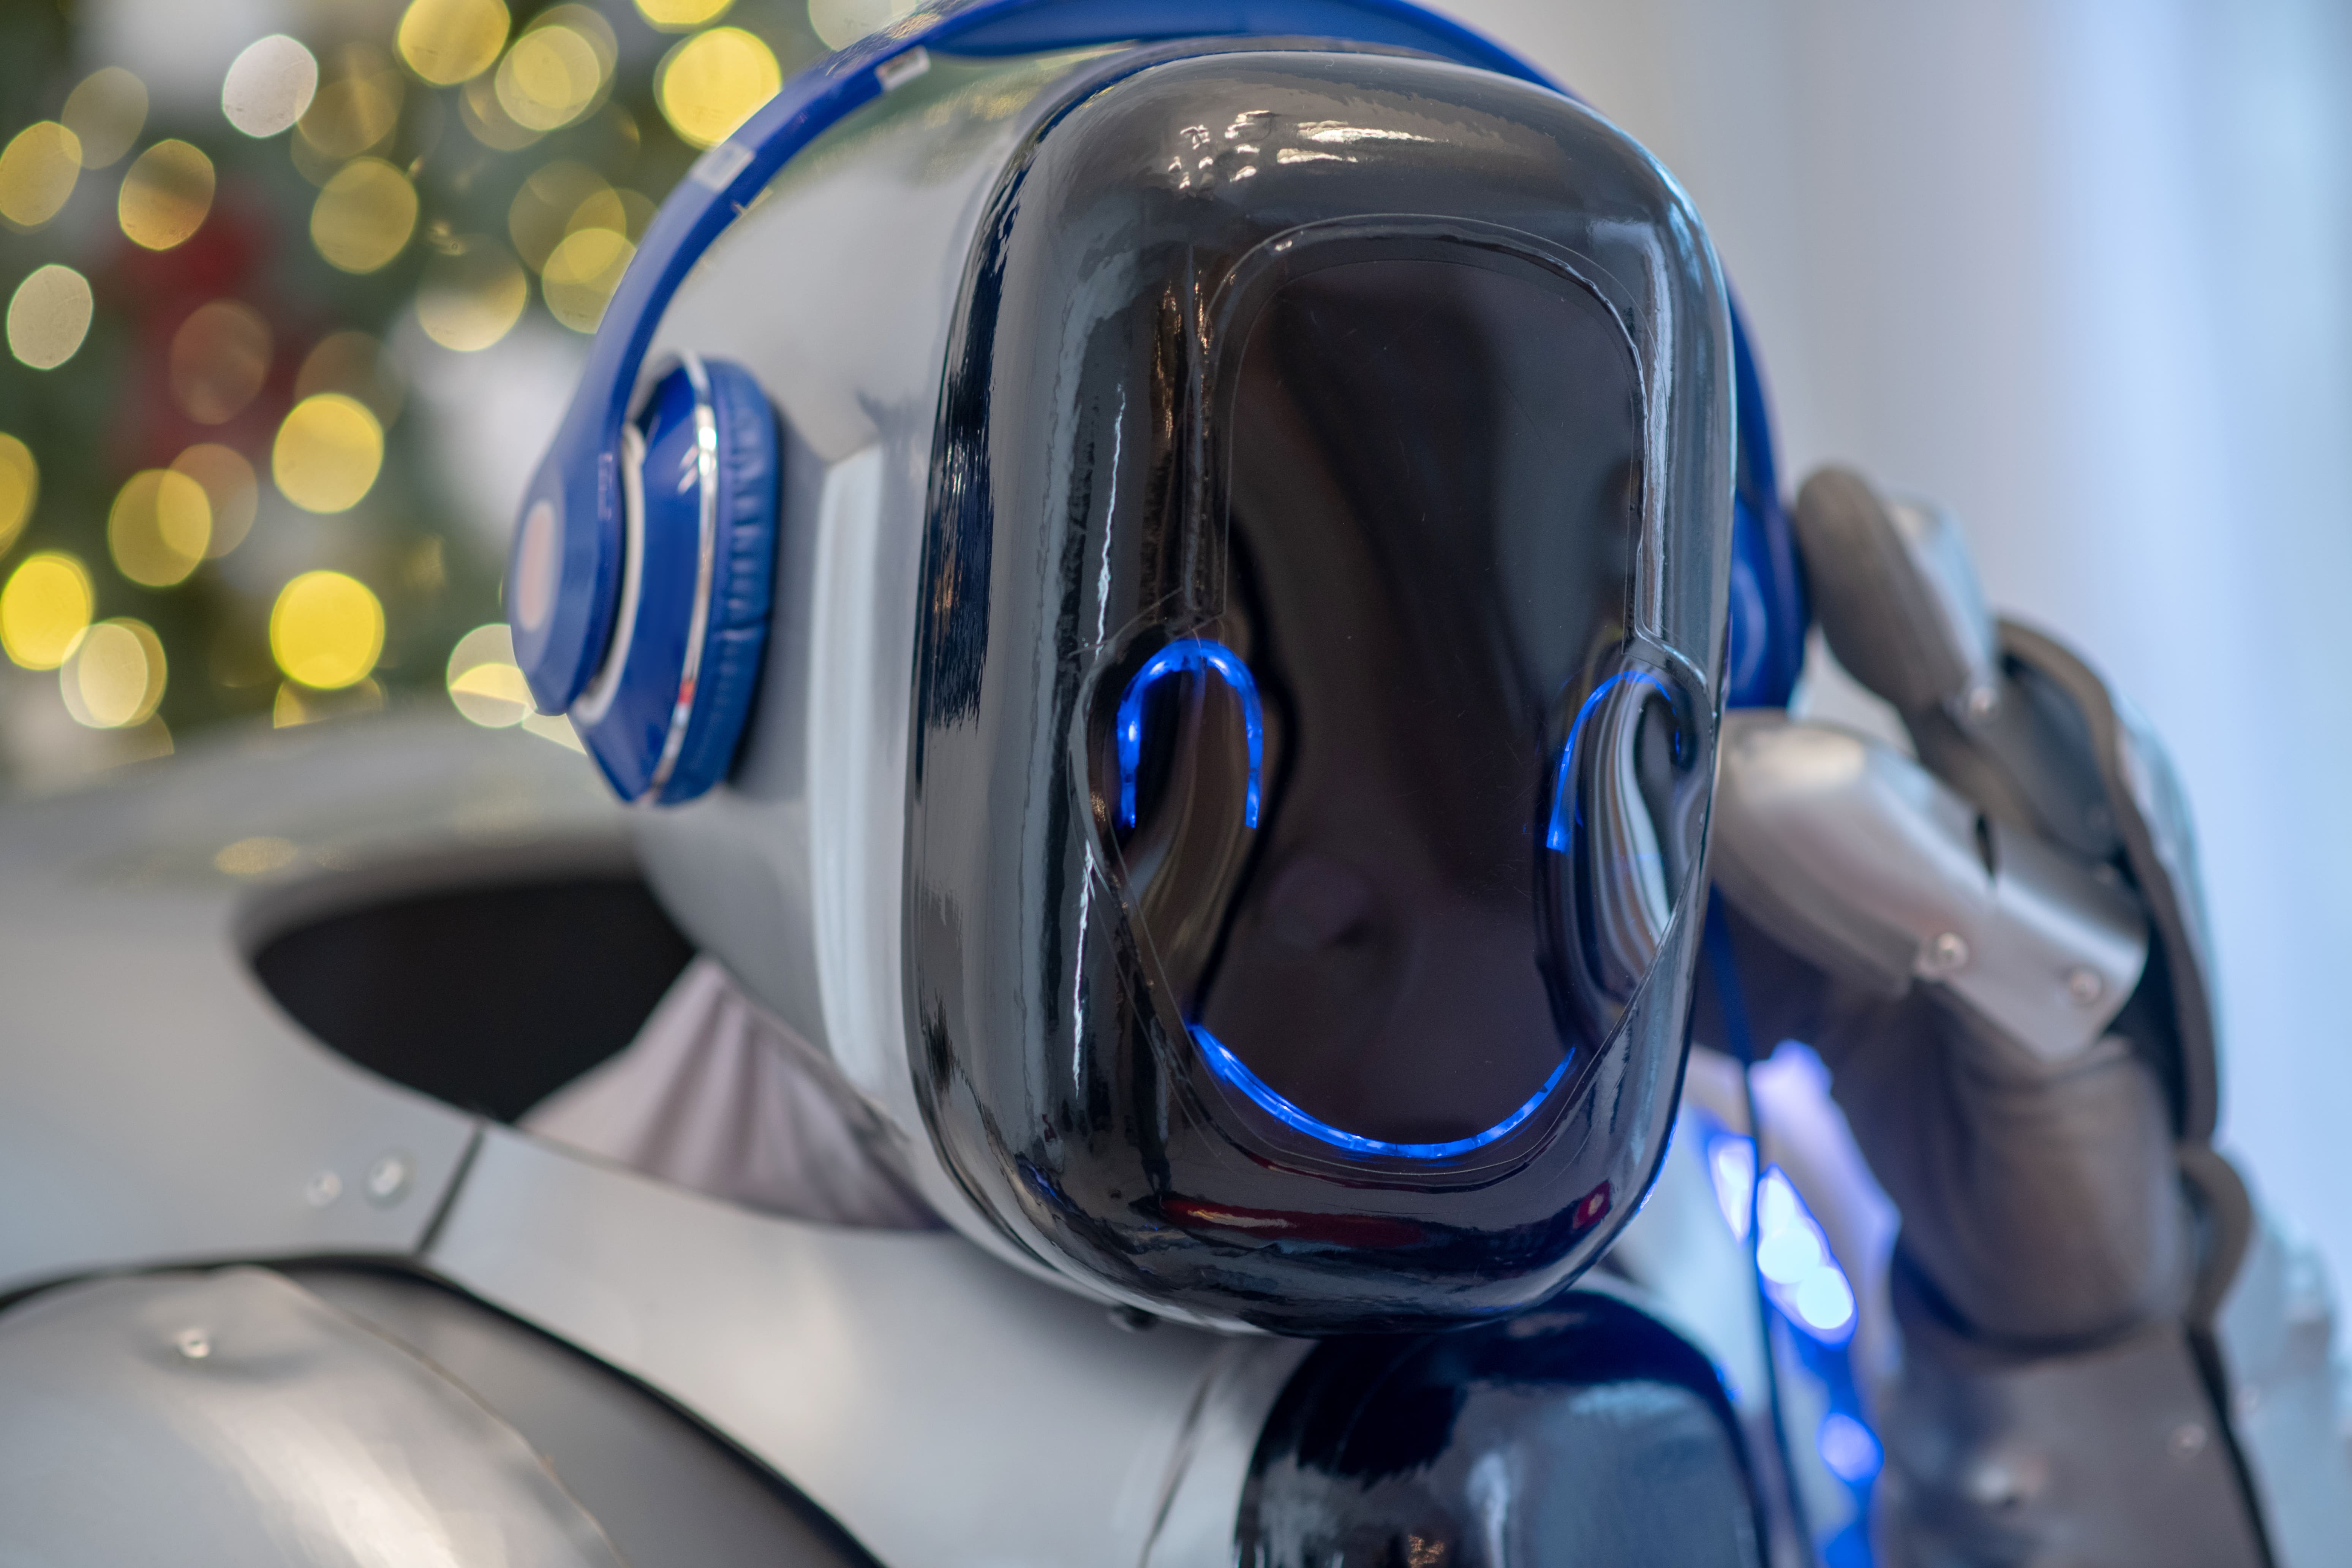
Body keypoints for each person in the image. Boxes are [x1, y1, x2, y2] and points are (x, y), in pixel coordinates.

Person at [1, 5, 2343, 1563]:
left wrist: (2093, 1356)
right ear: (748, 623)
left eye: (1502, 676)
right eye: (1242, 638)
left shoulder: (1764, 1314)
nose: (1362, 853)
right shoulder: (320, 1482)